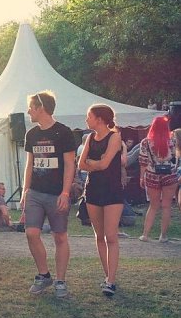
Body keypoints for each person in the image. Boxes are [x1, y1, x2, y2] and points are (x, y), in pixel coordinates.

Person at [22, 90, 77, 299]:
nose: (28, 111)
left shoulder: (63, 132)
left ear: (40, 108)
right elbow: (29, 164)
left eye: (31, 107)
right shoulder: (31, 134)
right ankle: (44, 275)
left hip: (56, 193)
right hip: (35, 192)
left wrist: (65, 192)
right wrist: (25, 190)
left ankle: (61, 281)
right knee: (31, 233)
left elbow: (70, 164)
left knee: (60, 236)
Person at [78, 104, 124, 297]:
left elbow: (106, 165)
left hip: (112, 191)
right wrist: (95, 164)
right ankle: (108, 277)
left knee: (111, 236)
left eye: (89, 116)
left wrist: (93, 163)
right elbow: (80, 164)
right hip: (93, 190)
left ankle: (111, 281)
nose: (86, 119)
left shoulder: (115, 136)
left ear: (99, 119)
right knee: (99, 236)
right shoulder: (90, 137)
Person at [138, 115, 177, 243]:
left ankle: (145, 234)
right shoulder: (172, 140)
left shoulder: (145, 142)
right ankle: (163, 236)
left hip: (152, 175)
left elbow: (143, 161)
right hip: (169, 175)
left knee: (153, 206)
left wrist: (141, 177)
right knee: (166, 206)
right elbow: (176, 157)